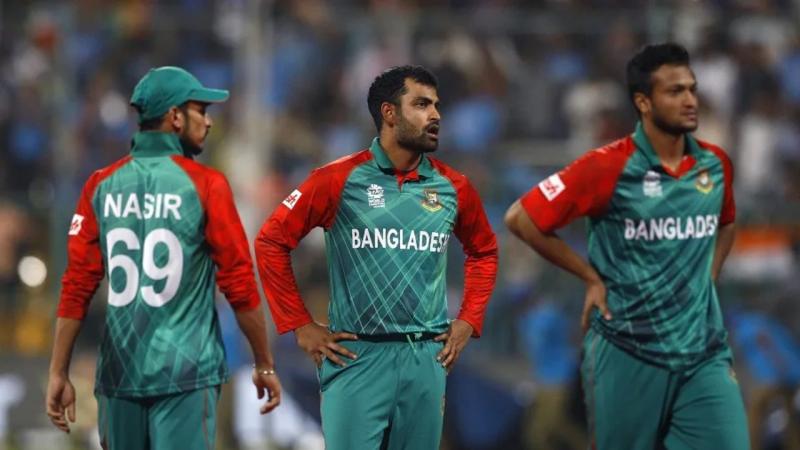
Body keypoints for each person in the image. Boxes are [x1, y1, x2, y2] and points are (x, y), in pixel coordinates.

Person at [505, 43, 749, 450]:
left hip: (701, 351)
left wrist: (709, 274)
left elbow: (726, 221)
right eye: (675, 91)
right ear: (644, 102)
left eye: (691, 88)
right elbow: (521, 217)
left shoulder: (714, 164)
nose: (690, 100)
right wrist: (589, 276)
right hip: (630, 349)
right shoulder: (606, 166)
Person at [254, 65, 498, 450]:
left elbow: (484, 251)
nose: (436, 115)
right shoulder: (337, 179)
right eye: (422, 104)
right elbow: (271, 241)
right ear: (389, 113)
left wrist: (469, 319)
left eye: (436, 105)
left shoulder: (454, 187)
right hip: (356, 355)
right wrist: (299, 324)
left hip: (426, 358)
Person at [46, 66, 282, 449]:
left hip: (118, 377)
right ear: (175, 117)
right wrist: (264, 362)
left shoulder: (100, 185)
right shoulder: (206, 185)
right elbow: (239, 283)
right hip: (186, 376)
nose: (208, 121)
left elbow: (77, 286)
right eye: (200, 110)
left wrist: (59, 371)